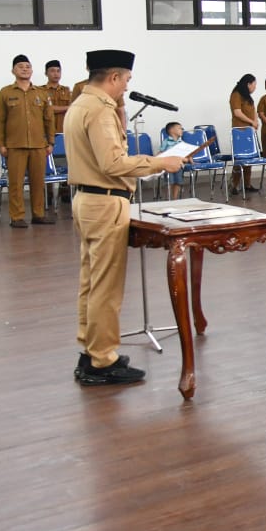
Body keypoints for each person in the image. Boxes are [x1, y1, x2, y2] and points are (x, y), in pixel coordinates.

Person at [66, 49, 185, 386]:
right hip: (105, 202)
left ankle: (91, 351)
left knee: (91, 283)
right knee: (106, 287)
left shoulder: (80, 104)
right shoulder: (99, 110)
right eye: (126, 80)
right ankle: (102, 361)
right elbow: (113, 164)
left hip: (87, 200)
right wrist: (161, 162)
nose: (127, 86)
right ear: (114, 77)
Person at [0, 54, 55, 228]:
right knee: (16, 183)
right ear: (13, 71)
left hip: (38, 145)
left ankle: (38, 214)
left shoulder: (41, 93)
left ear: (32, 71)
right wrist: (1, 144)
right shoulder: (5, 93)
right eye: (20, 66)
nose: (25, 69)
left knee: (38, 182)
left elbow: (49, 119)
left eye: (28, 67)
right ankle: (17, 217)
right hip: (15, 146)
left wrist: (50, 142)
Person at [228, 73, 261, 193]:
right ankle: (234, 184)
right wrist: (251, 122)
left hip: (249, 132)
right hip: (239, 132)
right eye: (254, 84)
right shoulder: (236, 95)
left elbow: (254, 111)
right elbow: (237, 112)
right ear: (248, 84)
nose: (255, 87)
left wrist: (255, 122)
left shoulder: (248, 97)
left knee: (249, 158)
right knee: (240, 159)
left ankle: (247, 184)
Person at [157, 121, 188, 200]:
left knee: (178, 181)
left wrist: (192, 161)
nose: (182, 130)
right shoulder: (166, 141)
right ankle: (168, 198)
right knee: (169, 181)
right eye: (179, 128)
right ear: (171, 130)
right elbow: (161, 152)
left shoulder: (181, 142)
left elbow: (187, 153)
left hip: (179, 165)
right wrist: (155, 159)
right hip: (168, 165)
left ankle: (175, 198)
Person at [44, 60, 72, 137]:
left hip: (64, 131)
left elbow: (73, 109)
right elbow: (47, 109)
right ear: (46, 73)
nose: (56, 74)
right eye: (52, 71)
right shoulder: (41, 91)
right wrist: (67, 108)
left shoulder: (66, 90)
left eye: (58, 71)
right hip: (46, 131)